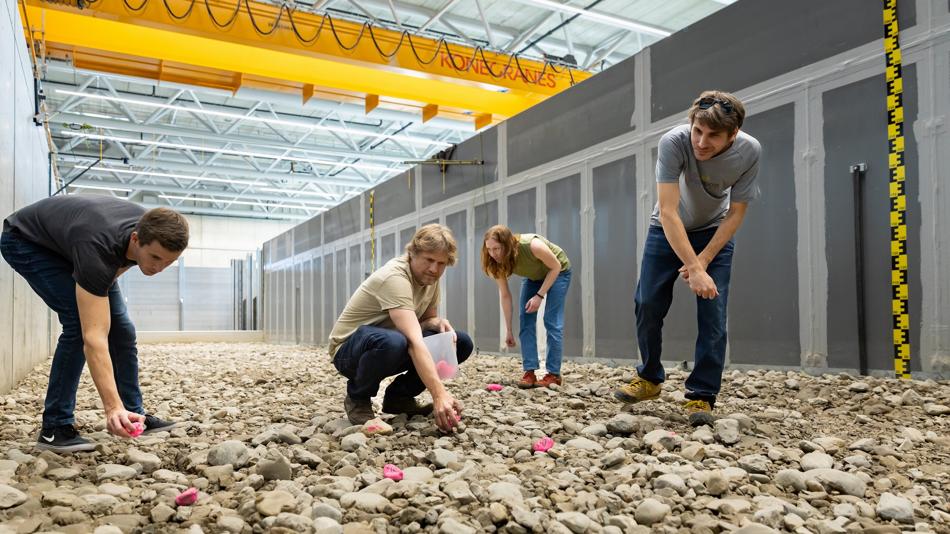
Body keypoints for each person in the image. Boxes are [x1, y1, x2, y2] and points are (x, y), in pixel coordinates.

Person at [613, 90, 761, 427]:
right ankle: (649, 378)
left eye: (713, 136)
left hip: (713, 231)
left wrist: (705, 260)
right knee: (647, 302)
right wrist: (693, 266)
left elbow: (736, 213)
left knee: (714, 313)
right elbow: (667, 211)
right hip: (667, 227)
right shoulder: (674, 142)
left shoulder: (749, 151)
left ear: (732, 134)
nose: (702, 142)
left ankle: (702, 394)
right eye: (698, 131)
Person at [1, 195, 189, 452]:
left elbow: (118, 267)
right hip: (26, 241)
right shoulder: (99, 248)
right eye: (155, 258)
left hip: (74, 244)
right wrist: (111, 407)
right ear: (136, 239)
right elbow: (94, 337)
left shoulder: (150, 230)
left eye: (169, 262)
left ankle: (134, 415)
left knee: (122, 330)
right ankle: (55, 428)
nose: (159, 268)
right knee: (79, 326)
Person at [329, 224, 472, 431]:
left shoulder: (430, 279)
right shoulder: (395, 277)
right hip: (349, 352)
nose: (434, 269)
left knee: (458, 341)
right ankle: (358, 398)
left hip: (389, 345)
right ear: (412, 254)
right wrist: (440, 394)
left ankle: (399, 398)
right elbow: (415, 341)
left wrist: (434, 322)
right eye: (429, 260)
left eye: (441, 263)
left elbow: (424, 326)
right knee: (395, 342)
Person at [481, 225, 572, 389]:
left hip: (558, 271)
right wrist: (508, 330)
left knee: (551, 321)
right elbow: (505, 295)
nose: (493, 254)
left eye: (497, 248)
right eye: (489, 249)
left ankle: (553, 374)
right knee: (525, 320)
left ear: (508, 245)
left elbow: (556, 266)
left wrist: (539, 295)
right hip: (533, 276)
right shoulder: (496, 263)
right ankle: (530, 371)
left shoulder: (531, 245)